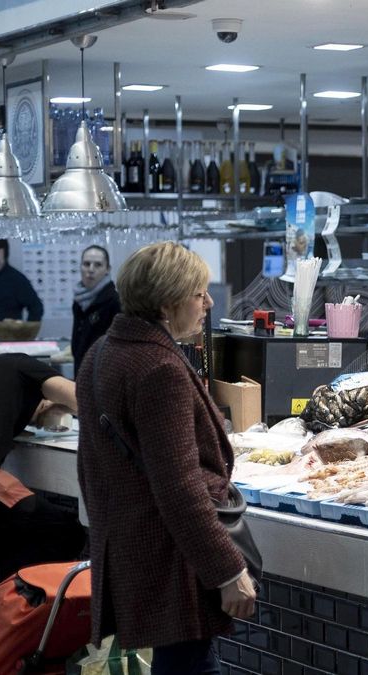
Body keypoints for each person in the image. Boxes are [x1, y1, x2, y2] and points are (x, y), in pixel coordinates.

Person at [76, 242, 254, 671]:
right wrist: (227, 571)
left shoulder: (100, 355)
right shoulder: (159, 369)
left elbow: (89, 472)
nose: (209, 303)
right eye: (199, 293)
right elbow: (180, 487)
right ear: (167, 301)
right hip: (171, 561)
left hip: (131, 552)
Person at [0, 354, 86, 611]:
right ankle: (1, 608)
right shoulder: (25, 366)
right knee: (62, 530)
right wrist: (59, 406)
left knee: (3, 533)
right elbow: (81, 397)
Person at [72, 245, 121, 365]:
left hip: (104, 372)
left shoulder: (115, 301)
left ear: (107, 269)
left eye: (98, 265)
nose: (91, 269)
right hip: (81, 369)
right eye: (86, 264)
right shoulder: (79, 301)